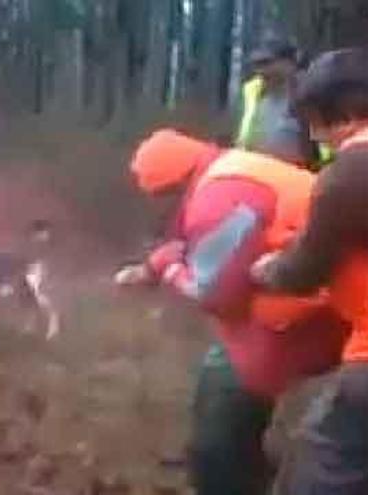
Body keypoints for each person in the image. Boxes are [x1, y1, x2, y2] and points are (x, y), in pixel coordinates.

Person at [115, 129, 349, 495]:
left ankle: (228, 473)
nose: (156, 209)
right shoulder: (230, 171)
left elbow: (217, 296)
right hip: (324, 297)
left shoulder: (217, 198)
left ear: (172, 188)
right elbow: (206, 245)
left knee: (227, 389)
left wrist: (170, 268)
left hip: (326, 308)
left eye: (157, 199)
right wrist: (153, 266)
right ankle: (241, 460)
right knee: (224, 373)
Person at [251, 47, 368, 495]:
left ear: (326, 113)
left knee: (317, 474)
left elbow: (306, 269)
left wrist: (268, 270)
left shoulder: (351, 171)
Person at [234, 35, 327, 168]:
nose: (260, 70)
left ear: (289, 62)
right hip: (257, 174)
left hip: (302, 177)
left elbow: (327, 147)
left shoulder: (313, 92)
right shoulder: (252, 93)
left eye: (266, 63)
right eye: (256, 65)